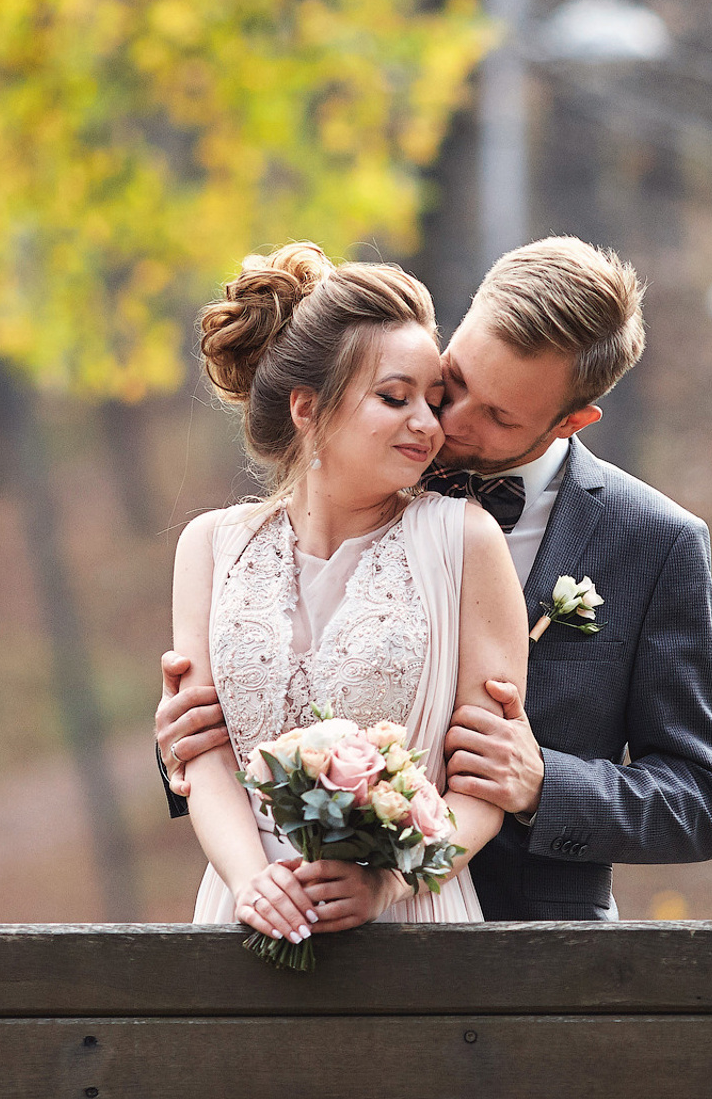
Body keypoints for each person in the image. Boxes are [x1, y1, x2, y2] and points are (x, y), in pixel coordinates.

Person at [161, 236, 712, 920]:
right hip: (277, 900)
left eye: (499, 416)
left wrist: (540, 784)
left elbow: (707, 798)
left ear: (570, 421)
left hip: (529, 943)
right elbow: (256, 691)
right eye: (454, 382)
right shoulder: (369, 456)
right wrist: (185, 738)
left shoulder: (654, 543)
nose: (446, 423)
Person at [169, 243, 527, 943]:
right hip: (245, 915)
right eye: (395, 398)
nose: (429, 424)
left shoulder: (465, 539)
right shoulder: (209, 547)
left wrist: (386, 882)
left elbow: (485, 784)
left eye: (433, 399)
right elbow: (203, 752)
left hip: (411, 918)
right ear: (308, 407)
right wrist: (251, 882)